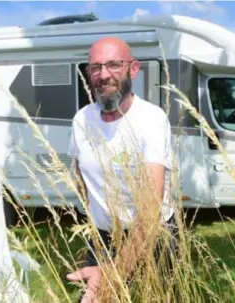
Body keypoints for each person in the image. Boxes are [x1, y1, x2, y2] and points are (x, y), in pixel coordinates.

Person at [66, 36, 179, 302]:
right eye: (95, 68)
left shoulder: (151, 119)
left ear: (134, 69)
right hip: (103, 240)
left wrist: (113, 274)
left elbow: (150, 209)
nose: (104, 75)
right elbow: (80, 175)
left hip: (153, 238)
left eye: (114, 65)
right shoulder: (81, 120)